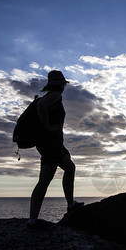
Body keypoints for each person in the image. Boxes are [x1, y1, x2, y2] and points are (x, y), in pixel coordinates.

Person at [27, 70, 84, 228]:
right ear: (61, 85)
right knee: (45, 179)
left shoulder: (50, 96)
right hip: (51, 143)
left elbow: (42, 106)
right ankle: (32, 220)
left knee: (69, 167)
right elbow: (41, 106)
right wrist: (48, 127)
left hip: (52, 143)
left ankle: (70, 203)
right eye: (63, 84)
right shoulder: (55, 96)